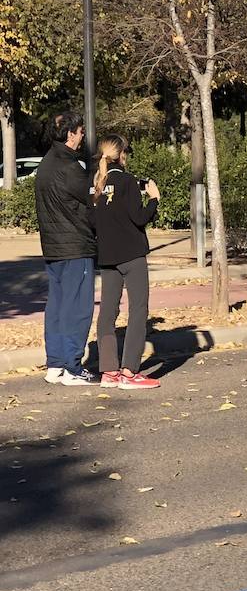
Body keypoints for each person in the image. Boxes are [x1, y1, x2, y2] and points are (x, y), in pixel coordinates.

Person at [34, 110, 98, 386]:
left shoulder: (46, 164)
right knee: (78, 307)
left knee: (58, 307)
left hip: (54, 247)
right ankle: (73, 366)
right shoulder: (70, 168)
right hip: (75, 247)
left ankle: (55, 364)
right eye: (81, 132)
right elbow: (91, 197)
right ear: (71, 134)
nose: (83, 136)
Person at [90, 135, 160, 389]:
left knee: (107, 312)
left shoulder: (96, 182)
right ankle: (130, 371)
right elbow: (139, 217)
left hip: (107, 257)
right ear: (121, 155)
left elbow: (93, 221)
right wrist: (154, 199)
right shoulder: (128, 181)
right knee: (138, 309)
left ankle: (109, 371)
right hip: (131, 255)